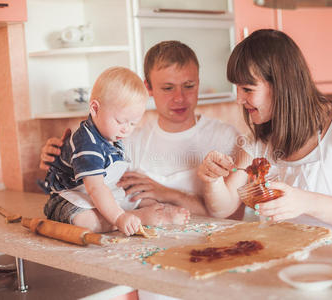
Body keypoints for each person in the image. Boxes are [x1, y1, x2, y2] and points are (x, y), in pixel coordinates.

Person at [197, 29, 332, 234]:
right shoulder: (259, 141)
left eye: (248, 90)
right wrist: (213, 180)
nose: (239, 100)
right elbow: (223, 208)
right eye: (238, 89)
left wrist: (305, 201)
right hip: (282, 261)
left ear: (281, 86)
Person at [39, 41, 241, 220]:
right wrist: (62, 158)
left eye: (189, 86)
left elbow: (233, 215)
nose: (179, 98)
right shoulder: (126, 141)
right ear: (148, 88)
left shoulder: (224, 137)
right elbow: (99, 192)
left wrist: (168, 194)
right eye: (168, 88)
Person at [42, 66, 152, 236]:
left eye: (132, 124)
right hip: (67, 198)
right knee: (84, 222)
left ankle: (126, 217)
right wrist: (119, 218)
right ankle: (133, 219)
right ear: (95, 108)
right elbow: (95, 188)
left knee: (143, 199)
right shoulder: (87, 143)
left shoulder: (111, 135)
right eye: (121, 121)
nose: (126, 130)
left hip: (93, 193)